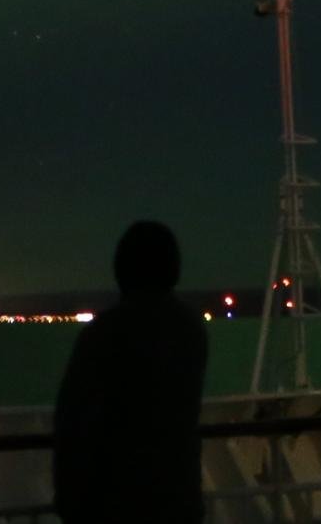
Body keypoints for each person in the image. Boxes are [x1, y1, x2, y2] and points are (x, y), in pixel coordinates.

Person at [52, 220, 209, 524]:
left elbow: (72, 420)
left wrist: (70, 503)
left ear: (122, 269)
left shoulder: (103, 332)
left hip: (113, 505)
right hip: (179, 501)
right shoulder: (191, 330)